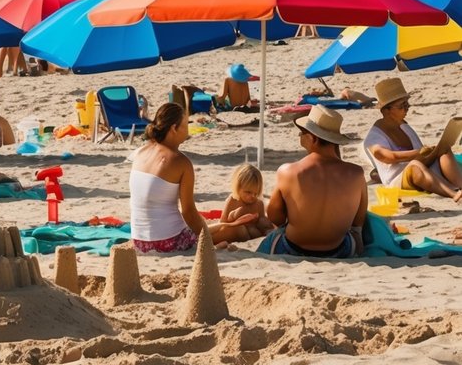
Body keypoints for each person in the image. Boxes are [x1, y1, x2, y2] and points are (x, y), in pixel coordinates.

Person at [130, 102, 247, 251]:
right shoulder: (180, 161)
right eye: (186, 124)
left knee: (216, 229)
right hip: (167, 241)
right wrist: (207, 243)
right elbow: (189, 212)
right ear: (174, 128)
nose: (188, 128)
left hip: (139, 241)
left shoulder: (140, 152)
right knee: (234, 232)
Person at [263, 105, 367, 257]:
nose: (300, 136)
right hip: (339, 249)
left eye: (302, 133)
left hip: (293, 247)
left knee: (270, 241)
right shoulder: (357, 174)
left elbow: (275, 218)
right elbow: (358, 223)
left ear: (313, 137)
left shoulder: (288, 171)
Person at [363, 77, 462, 201]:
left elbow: (421, 155)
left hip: (421, 167)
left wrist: (433, 151)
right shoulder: (374, 137)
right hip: (398, 178)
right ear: (386, 111)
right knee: (415, 165)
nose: (407, 109)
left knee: (444, 150)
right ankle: (453, 195)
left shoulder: (404, 126)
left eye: (407, 104)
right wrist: (418, 152)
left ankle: (460, 186)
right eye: (402, 106)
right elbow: (387, 156)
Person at [220, 164, 272, 240]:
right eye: (248, 192)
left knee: (262, 225)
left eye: (256, 193)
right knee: (241, 229)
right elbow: (222, 222)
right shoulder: (233, 201)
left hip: (254, 232)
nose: (252, 196)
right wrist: (233, 216)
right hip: (237, 231)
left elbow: (262, 223)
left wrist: (264, 222)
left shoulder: (258, 203)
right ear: (238, 187)